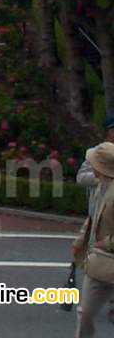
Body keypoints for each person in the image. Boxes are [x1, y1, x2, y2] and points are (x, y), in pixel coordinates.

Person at [73, 142, 114, 337]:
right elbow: (92, 218)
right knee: (85, 313)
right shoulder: (100, 187)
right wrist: (80, 241)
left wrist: (103, 244)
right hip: (98, 262)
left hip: (105, 254)